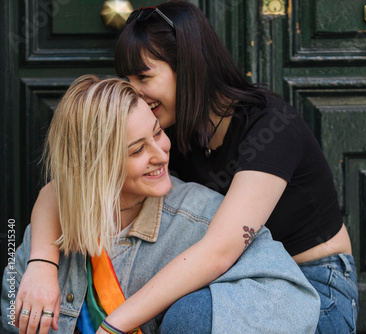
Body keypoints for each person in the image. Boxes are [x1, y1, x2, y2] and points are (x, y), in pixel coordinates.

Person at [18, 1, 358, 333]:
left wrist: (114, 325)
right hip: (229, 281)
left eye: (143, 76)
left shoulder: (271, 127)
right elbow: (65, 187)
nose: (132, 91)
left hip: (309, 287)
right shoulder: (166, 129)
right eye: (126, 77)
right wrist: (41, 265)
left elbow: (219, 251)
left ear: (190, 67)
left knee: (191, 315)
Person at [1, 75, 320, 334]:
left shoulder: (203, 217)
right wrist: (40, 265)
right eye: (138, 150)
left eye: (158, 132)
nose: (161, 153)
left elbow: (295, 303)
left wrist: (194, 321)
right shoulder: (45, 245)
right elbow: (12, 319)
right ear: (95, 167)